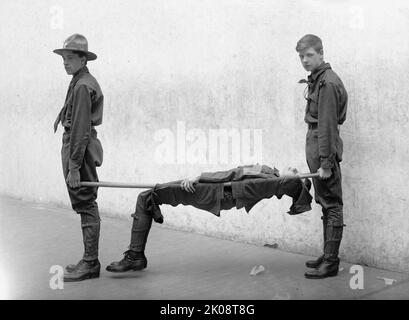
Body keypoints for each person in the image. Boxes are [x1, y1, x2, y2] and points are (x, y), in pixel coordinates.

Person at [105, 165, 313, 273]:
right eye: (297, 170)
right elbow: (235, 172)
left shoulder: (275, 181)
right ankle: (136, 254)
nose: (296, 170)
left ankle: (135, 257)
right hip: (215, 188)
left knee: (147, 196)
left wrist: (199, 178)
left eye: (298, 174)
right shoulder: (271, 173)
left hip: (213, 190)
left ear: (291, 183)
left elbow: (232, 174)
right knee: (149, 196)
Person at [295, 34, 348, 279]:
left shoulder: (327, 82)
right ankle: (326, 255)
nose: (304, 60)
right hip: (316, 146)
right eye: (301, 56)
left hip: (322, 146)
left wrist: (326, 162)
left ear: (321, 53)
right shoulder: (318, 80)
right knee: (324, 203)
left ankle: (331, 262)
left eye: (309, 55)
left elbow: (327, 124)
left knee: (332, 205)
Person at [53, 34, 104, 282]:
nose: (65, 62)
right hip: (75, 145)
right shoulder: (78, 80)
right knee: (84, 202)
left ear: (84, 59)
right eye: (64, 58)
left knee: (86, 202)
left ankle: (91, 263)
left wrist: (74, 167)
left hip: (79, 149)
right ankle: (88, 260)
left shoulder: (83, 85)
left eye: (70, 57)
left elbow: (81, 129)